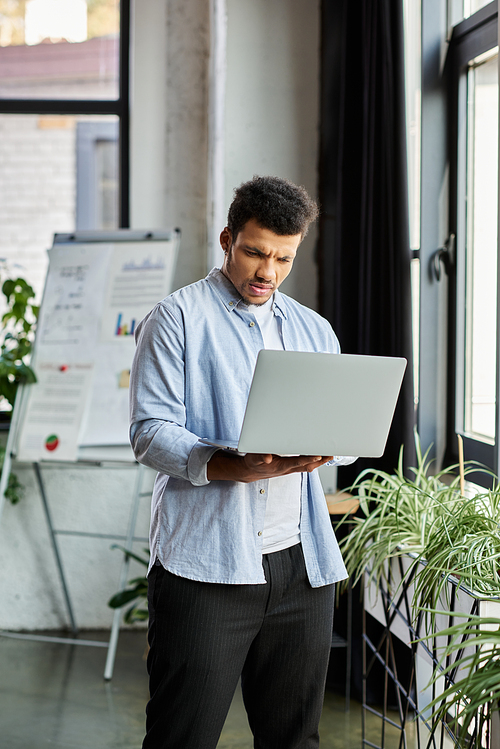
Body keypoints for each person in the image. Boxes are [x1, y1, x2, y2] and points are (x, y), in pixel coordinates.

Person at [129, 175, 355, 749]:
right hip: (205, 566)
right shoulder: (175, 319)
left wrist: (331, 443)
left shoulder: (314, 329)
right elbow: (149, 433)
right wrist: (233, 463)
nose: (268, 273)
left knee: (293, 737)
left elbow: (344, 434)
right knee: (184, 735)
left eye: (283, 258)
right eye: (255, 252)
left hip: (301, 566)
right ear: (229, 239)